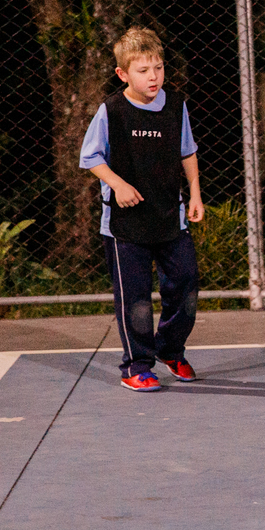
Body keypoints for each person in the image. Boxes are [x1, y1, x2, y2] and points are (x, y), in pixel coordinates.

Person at [79, 27, 205, 392]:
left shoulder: (176, 105)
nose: (153, 77)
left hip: (170, 217)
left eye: (159, 68)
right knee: (135, 302)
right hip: (124, 226)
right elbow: (90, 157)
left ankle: (170, 348)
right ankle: (136, 365)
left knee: (186, 287)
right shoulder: (112, 111)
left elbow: (188, 151)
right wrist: (117, 184)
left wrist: (194, 194)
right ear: (123, 74)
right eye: (143, 70)